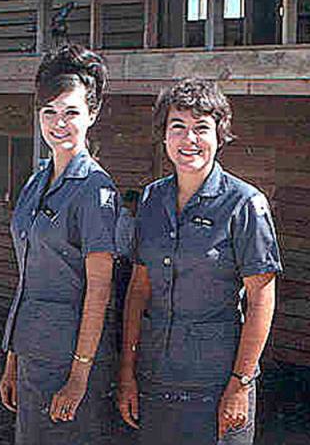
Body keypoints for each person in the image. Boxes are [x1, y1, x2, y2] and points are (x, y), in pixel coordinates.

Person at [117, 78, 282, 444]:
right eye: (178, 127)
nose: (189, 139)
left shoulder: (244, 204)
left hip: (217, 382)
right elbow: (138, 290)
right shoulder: (150, 200)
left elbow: (261, 299)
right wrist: (127, 372)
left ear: (220, 135)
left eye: (201, 128)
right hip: (157, 378)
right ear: (164, 136)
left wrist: (240, 384)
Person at [0, 43, 122, 444]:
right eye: (48, 112)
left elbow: (99, 291)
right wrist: (12, 361)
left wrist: (78, 377)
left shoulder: (95, 190)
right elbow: (27, 278)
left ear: (92, 114)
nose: (58, 123)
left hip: (69, 361)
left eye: (71, 112)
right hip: (32, 353)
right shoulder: (37, 182)